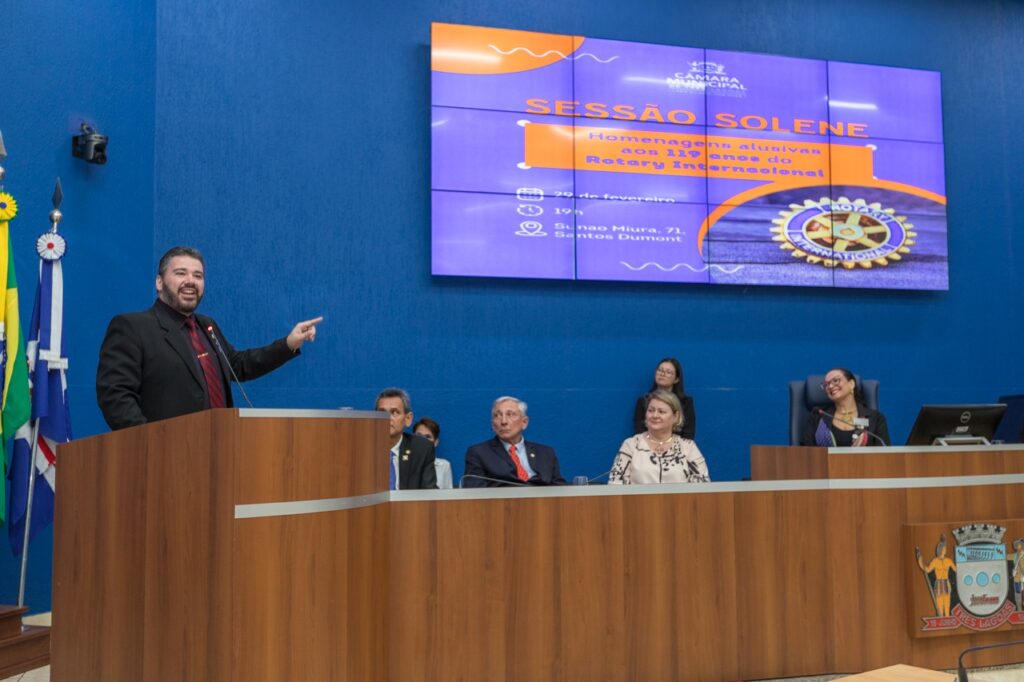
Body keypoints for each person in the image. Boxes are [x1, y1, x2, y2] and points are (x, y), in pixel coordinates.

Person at [96, 246, 322, 430]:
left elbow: (238, 366)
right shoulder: (132, 327)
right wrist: (151, 443)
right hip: (162, 458)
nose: (191, 281)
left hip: (219, 451)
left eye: (198, 275)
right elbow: (116, 397)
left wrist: (288, 344)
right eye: (180, 273)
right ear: (159, 282)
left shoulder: (208, 326)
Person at [463, 396, 566, 487]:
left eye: (510, 414)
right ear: (492, 424)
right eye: (497, 415)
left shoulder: (546, 453)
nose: (503, 421)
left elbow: (560, 489)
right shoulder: (479, 453)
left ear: (524, 422)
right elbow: (474, 493)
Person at [612, 389, 709, 485]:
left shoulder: (688, 447)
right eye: (650, 410)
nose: (654, 415)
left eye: (661, 412)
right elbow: (615, 484)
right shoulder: (631, 445)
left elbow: (703, 486)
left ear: (675, 416)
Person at [799, 367, 890, 447]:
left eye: (835, 380)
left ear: (851, 384)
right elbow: (807, 452)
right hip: (825, 466)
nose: (830, 386)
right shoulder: (818, 416)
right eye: (826, 384)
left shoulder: (876, 418)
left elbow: (884, 453)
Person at [375, 388, 438, 490]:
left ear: (408, 419)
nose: (387, 418)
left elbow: (429, 494)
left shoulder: (422, 449)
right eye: (382, 412)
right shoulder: (362, 449)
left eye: (394, 412)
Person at [633, 357, 696, 440]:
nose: (662, 374)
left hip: (678, 449)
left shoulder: (686, 402)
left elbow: (688, 434)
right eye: (660, 370)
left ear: (676, 379)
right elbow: (640, 431)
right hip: (647, 448)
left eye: (668, 372)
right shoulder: (643, 401)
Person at [413, 416, 453, 489]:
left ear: (436, 442)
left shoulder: (444, 466)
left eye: (428, 437)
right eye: (419, 435)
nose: (422, 440)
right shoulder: (402, 462)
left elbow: (447, 497)